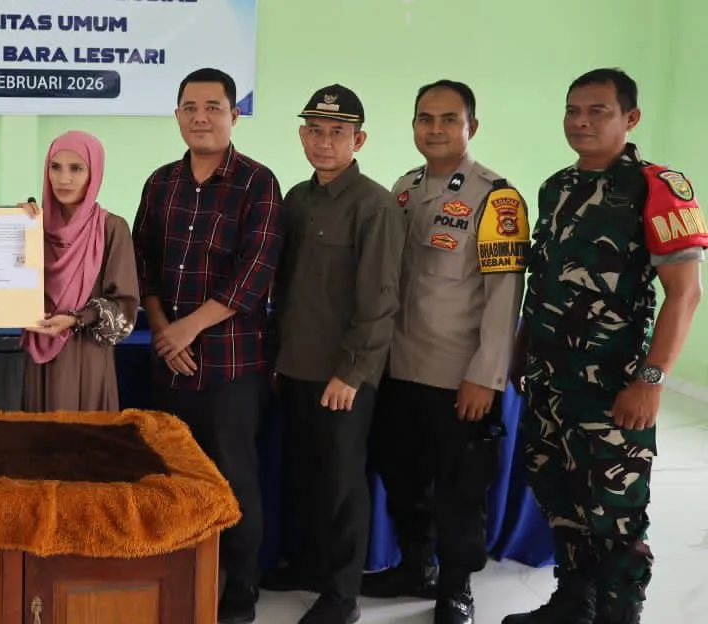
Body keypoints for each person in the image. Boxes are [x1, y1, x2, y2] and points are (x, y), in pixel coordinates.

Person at [503, 69, 706, 624]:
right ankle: (574, 602)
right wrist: (521, 351)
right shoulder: (556, 188)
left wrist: (652, 381)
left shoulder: (655, 187)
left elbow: (685, 294)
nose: (582, 121)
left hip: (613, 387)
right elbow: (543, 282)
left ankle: (619, 614)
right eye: (573, 110)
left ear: (630, 118)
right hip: (549, 380)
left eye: (598, 110)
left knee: (615, 516)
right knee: (559, 497)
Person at [365, 80, 529, 624]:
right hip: (399, 366)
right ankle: (416, 567)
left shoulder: (496, 198)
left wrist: (487, 375)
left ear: (470, 127)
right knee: (402, 474)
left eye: (448, 119)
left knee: (460, 488)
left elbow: (505, 296)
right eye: (425, 118)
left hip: (458, 374)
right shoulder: (404, 188)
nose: (434, 129)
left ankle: (456, 586)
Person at [131, 67, 284, 624]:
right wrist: (162, 329)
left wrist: (187, 329)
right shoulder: (160, 183)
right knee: (173, 478)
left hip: (231, 366)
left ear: (234, 115)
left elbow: (255, 273)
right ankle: (179, 579)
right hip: (170, 362)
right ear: (176, 114)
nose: (201, 117)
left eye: (213, 107)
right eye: (190, 107)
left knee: (234, 480)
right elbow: (142, 263)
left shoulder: (258, 183)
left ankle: (240, 592)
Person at [264, 84, 404, 624]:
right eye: (315, 131)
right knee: (305, 473)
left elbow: (380, 299)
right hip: (296, 365)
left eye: (338, 133)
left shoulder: (374, 205)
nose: (324, 142)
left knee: (342, 484)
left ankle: (343, 596)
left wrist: (353, 371)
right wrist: (278, 359)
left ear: (358, 140)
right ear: (303, 135)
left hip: (342, 375)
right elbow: (287, 289)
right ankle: (310, 565)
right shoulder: (297, 199)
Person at [22, 131, 139, 412]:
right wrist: (5, 223)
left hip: (87, 356)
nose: (64, 179)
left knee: (84, 435)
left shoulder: (112, 228)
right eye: (55, 167)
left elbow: (124, 308)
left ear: (94, 173)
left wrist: (76, 319)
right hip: (39, 358)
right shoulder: (32, 226)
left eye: (76, 168)